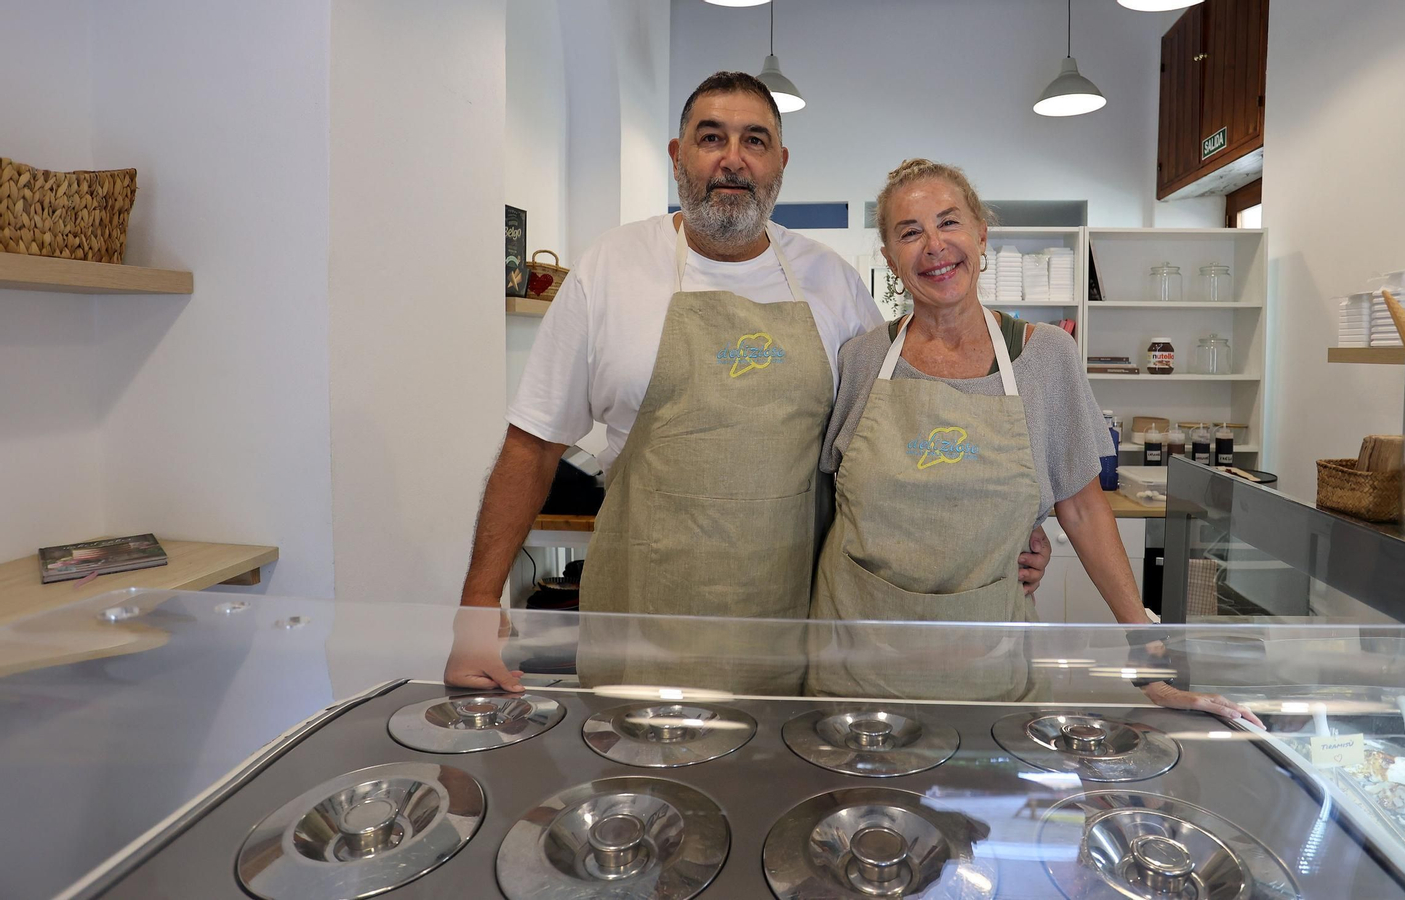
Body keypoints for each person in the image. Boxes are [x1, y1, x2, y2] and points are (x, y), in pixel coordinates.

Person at [446, 76, 1051, 692]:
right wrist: (476, 611)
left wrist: (1005, 537)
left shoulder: (831, 284)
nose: (733, 158)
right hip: (641, 629)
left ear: (779, 164)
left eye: (754, 140)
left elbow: (897, 451)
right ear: (678, 156)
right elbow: (533, 445)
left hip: (787, 638)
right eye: (712, 137)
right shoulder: (611, 269)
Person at [806, 158, 1261, 723]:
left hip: (988, 671)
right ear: (890, 260)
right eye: (909, 232)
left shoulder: (1046, 357)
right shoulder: (861, 358)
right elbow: (825, 502)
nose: (934, 246)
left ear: (981, 234)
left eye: (949, 223)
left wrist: (1151, 661)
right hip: (855, 670)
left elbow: (1085, 508)